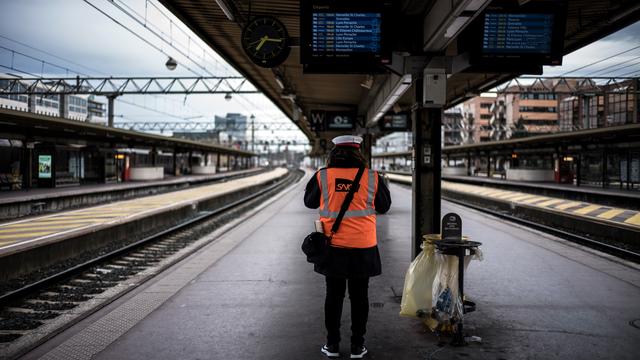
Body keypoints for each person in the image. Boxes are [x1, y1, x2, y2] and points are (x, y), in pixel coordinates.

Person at [304, 135, 391, 359]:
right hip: (363, 247)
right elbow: (384, 206)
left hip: (333, 247)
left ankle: (332, 345)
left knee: (333, 296)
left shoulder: (323, 176)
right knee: (359, 297)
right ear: (359, 153)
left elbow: (309, 202)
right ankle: (357, 347)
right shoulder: (372, 177)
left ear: (333, 153)